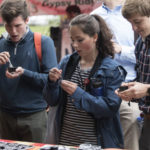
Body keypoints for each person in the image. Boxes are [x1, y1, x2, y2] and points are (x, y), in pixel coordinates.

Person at [43, 14, 126, 149]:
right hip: (65, 140)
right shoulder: (67, 62)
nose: (75, 45)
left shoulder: (112, 69)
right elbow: (52, 101)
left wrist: (78, 94)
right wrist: (51, 82)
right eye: (72, 40)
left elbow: (110, 109)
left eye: (80, 40)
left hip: (96, 143)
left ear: (95, 37)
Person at [0, 0, 57, 143]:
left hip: (34, 116)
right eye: (8, 26)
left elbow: (51, 80)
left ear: (27, 20)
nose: (13, 31)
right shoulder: (0, 44)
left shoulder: (43, 42)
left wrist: (24, 73)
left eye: (17, 25)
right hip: (4, 116)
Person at [90, 1, 141, 150]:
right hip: (100, 89)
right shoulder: (94, 16)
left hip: (128, 88)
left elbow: (144, 54)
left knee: (131, 132)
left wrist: (120, 50)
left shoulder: (134, 13)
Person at [115, 0, 150, 149]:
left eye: (137, 22)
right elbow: (143, 78)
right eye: (130, 23)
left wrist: (147, 90)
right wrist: (130, 87)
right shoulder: (140, 44)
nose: (134, 28)